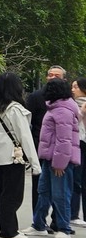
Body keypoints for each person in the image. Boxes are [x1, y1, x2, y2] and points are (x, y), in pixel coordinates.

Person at [23, 78, 81, 238]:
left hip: (60, 161)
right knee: (44, 192)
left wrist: (60, 163)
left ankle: (64, 228)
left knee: (60, 194)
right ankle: (38, 224)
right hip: (51, 158)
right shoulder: (57, 107)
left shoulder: (62, 110)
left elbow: (64, 139)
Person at [0, 72, 41, 238]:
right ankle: (8, 231)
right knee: (13, 195)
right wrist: (35, 163)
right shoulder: (15, 109)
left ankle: (8, 227)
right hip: (13, 156)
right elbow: (25, 137)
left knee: (2, 193)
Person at [27, 64, 67, 227]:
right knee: (39, 187)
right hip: (39, 147)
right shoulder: (36, 97)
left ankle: (58, 223)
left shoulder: (67, 100)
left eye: (56, 75)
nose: (51, 77)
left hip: (61, 151)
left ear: (63, 80)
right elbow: (28, 122)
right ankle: (38, 221)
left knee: (60, 188)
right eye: (49, 75)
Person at [72, 78, 86, 227]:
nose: (73, 89)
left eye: (76, 87)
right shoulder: (72, 105)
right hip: (77, 143)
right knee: (76, 180)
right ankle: (73, 214)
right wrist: (81, 112)